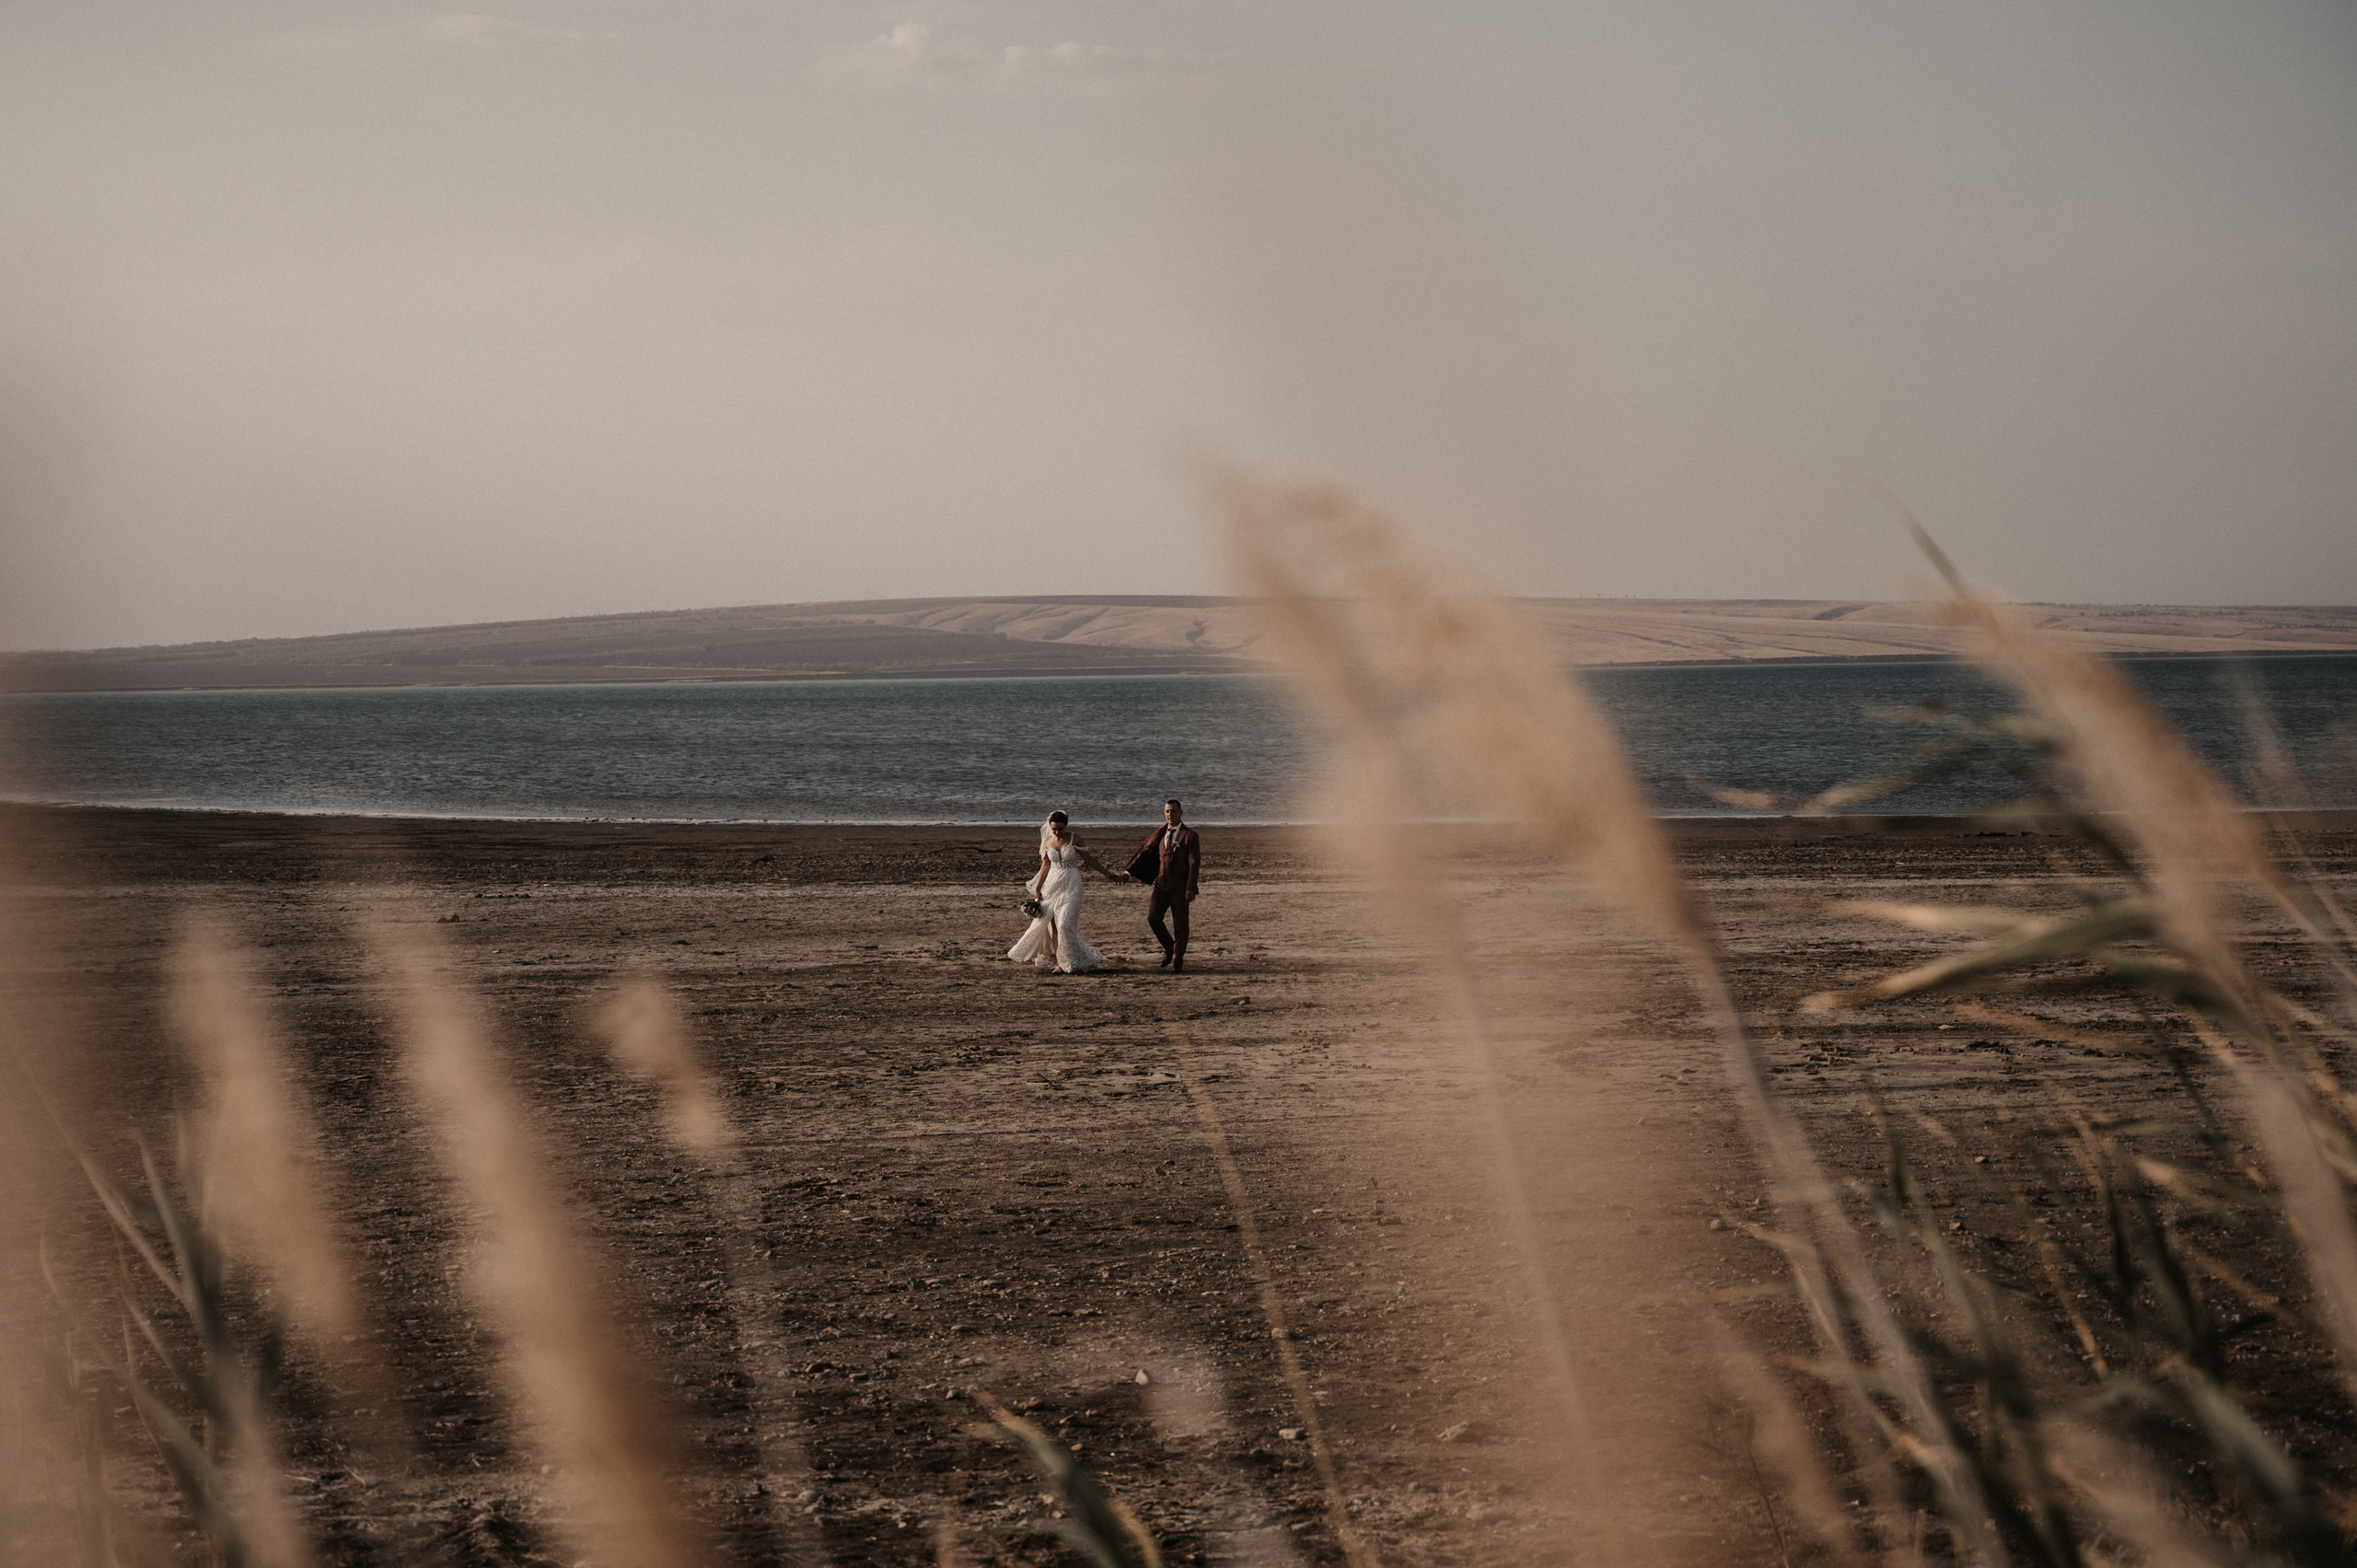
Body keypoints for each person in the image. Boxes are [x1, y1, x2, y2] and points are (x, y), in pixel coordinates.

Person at [1007, 811, 1122, 973]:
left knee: (1065, 924)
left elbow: (1089, 860)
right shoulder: (1047, 841)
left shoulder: (1075, 838)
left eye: (1060, 829)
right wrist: (1038, 888)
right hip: (1052, 886)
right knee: (1055, 926)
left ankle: (1078, 957)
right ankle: (1062, 963)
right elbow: (1045, 866)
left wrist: (1108, 874)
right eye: (1054, 829)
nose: (1057, 832)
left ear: (1066, 825)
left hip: (1072, 884)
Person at [1136, 797, 1202, 972]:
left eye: (1173, 811)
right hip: (1161, 885)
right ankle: (1170, 947)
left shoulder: (1190, 836)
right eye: (1167, 811)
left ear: (1181, 813)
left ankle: (1178, 960)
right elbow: (1147, 852)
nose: (1169, 814)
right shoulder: (1160, 831)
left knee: (1180, 924)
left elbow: (1194, 863)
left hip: (1180, 888)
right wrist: (1131, 872)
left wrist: (1190, 887)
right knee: (1153, 918)